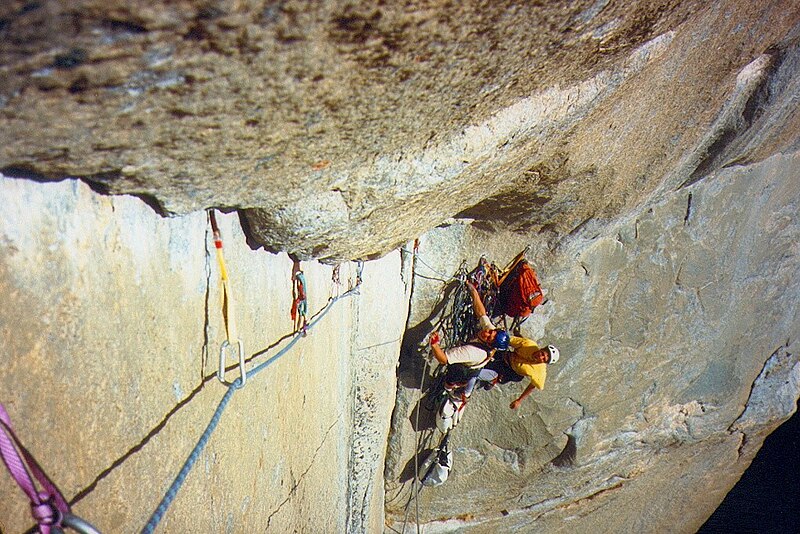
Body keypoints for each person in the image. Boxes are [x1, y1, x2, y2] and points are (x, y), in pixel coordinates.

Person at [429, 281, 511, 398]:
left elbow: (443, 359)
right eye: (491, 332)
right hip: (475, 368)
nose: (486, 333)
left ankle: (447, 388)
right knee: (470, 376)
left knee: (451, 377)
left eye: (489, 337)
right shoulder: (491, 335)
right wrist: (474, 292)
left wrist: (434, 344)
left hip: (463, 369)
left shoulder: (471, 352)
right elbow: (482, 314)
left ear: (490, 344)